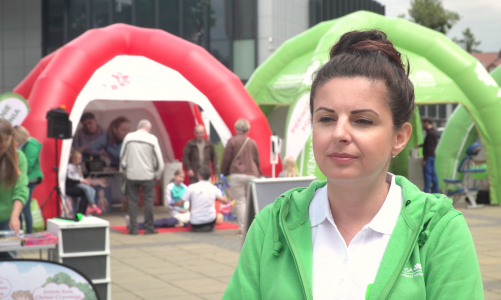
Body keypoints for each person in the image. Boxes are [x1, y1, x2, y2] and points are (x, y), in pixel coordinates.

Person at [223, 30, 483, 299]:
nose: (339, 133)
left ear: (400, 137)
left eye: (362, 120)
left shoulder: (439, 230)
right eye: (326, 119)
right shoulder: (272, 225)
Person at [120, 120, 164, 235]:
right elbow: (159, 161)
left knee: (133, 202)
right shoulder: (152, 139)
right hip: (147, 176)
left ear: (137, 127)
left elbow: (122, 158)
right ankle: (149, 228)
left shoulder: (128, 137)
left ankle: (133, 228)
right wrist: (157, 175)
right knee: (148, 201)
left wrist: (125, 172)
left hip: (131, 175)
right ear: (148, 128)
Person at [221, 119, 261, 234]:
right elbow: (256, 160)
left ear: (236, 127)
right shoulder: (252, 142)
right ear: (247, 128)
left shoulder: (232, 141)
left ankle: (243, 228)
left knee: (240, 201)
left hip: (237, 174)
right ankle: (256, 227)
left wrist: (224, 172)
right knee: (252, 201)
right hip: (252, 174)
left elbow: (226, 159)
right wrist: (259, 173)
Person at [0, 119, 28, 258]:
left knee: (9, 266)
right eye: (0, 140)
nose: (3, 144)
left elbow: (21, 188)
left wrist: (15, 216)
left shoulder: (19, 157)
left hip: (8, 220)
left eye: (7, 139)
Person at [13, 125, 43, 234]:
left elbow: (28, 164)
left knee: (25, 208)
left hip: (30, 179)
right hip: (24, 178)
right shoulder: (23, 145)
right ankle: (20, 232)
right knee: (20, 209)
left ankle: (29, 234)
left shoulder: (31, 145)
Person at [182, 165, 228, 232]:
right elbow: (225, 201)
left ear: (199, 175)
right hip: (210, 220)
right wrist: (222, 191)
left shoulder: (191, 187)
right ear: (209, 176)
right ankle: (209, 226)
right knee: (218, 216)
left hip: (194, 222)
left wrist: (173, 204)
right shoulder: (213, 188)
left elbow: (181, 202)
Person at [67, 150, 103, 215]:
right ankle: (93, 205)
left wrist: (85, 181)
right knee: (87, 189)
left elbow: (80, 176)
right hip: (73, 184)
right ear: (73, 159)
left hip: (80, 182)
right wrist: (81, 181)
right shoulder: (69, 167)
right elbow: (70, 179)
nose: (80, 160)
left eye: (81, 158)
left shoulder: (78, 167)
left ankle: (88, 207)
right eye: (79, 158)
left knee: (93, 190)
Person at [415, 117, 440, 193]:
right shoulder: (434, 132)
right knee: (433, 174)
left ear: (426, 123)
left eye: (423, 123)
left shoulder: (429, 133)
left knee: (427, 175)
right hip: (432, 155)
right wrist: (420, 146)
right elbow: (430, 145)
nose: (422, 125)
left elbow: (428, 147)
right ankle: (436, 191)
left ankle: (426, 191)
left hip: (428, 157)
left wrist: (424, 159)